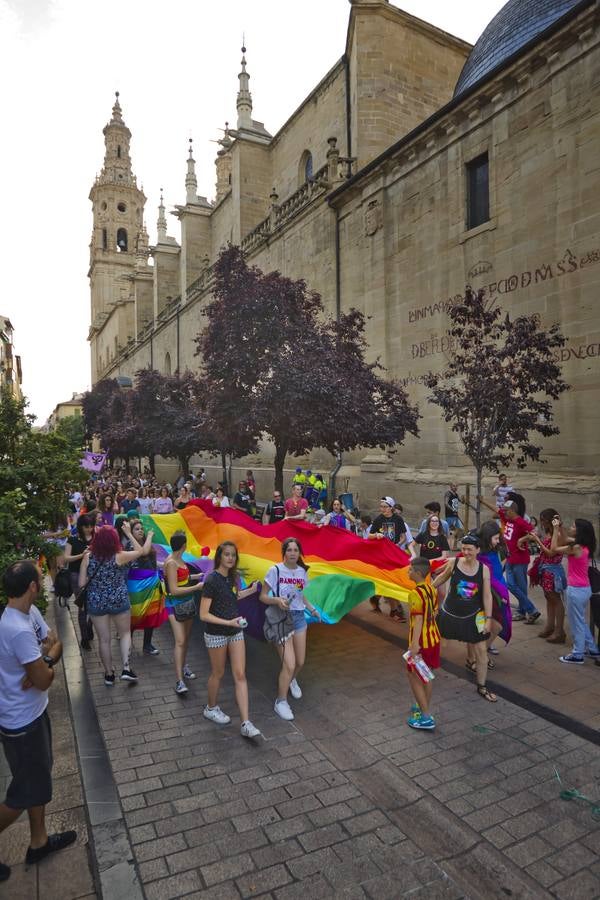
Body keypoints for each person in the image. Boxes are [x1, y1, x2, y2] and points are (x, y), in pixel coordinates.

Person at [0, 561, 76, 883]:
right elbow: (45, 680)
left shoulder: (28, 614)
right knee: (22, 794)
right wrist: (45, 668)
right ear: (33, 585)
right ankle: (37, 841)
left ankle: (39, 842)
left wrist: (44, 662)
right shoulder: (15, 628)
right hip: (20, 723)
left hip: (33, 714)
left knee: (37, 780)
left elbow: (55, 644)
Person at [79, 523, 154, 685]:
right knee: (125, 634)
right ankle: (126, 668)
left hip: (96, 602)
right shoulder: (119, 555)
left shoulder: (87, 556)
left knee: (104, 640)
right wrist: (128, 533)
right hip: (119, 599)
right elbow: (141, 551)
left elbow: (81, 583)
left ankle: (109, 674)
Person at [199, 541, 261, 738]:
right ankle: (210, 708)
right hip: (216, 633)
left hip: (235, 630)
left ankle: (246, 722)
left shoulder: (233, 577)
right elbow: (203, 614)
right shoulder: (211, 580)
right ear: (220, 556)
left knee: (240, 674)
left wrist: (251, 590)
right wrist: (229, 622)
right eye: (227, 554)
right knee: (217, 673)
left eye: (233, 555)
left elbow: (233, 597)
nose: (230, 558)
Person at [260, 538, 321, 721]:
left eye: (296, 550)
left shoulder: (302, 572)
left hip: (299, 617)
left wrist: (312, 609)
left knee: (300, 662)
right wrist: (277, 600)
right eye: (289, 550)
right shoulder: (275, 570)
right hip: (281, 619)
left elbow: (300, 595)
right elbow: (263, 596)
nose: (293, 553)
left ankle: (290, 679)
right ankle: (281, 701)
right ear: (284, 552)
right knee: (289, 664)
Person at [434, 533, 497, 702]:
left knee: (482, 652)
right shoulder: (454, 563)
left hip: (473, 616)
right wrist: (425, 590)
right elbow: (442, 578)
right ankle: (422, 668)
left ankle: (482, 686)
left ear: (478, 550)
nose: (466, 552)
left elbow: (487, 596)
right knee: (436, 642)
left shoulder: (483, 569)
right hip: (449, 614)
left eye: (469, 549)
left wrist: (489, 620)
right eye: (463, 549)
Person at [480, 496, 539, 623]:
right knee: (511, 585)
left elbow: (535, 533)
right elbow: (496, 509)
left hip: (520, 559)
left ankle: (525, 611)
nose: (504, 512)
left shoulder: (520, 522)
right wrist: (483, 501)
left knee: (519, 587)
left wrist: (523, 539)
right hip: (510, 557)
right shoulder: (507, 518)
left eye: (506, 510)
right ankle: (529, 610)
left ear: (513, 510)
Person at [551, 517, 599, 664]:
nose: (571, 527)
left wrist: (554, 530)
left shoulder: (575, 548)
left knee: (576, 623)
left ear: (579, 531)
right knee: (581, 621)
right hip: (585, 589)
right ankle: (593, 649)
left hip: (576, 590)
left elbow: (553, 550)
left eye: (573, 526)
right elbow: (566, 538)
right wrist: (560, 527)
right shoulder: (584, 546)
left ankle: (578, 654)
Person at [164, 531, 205, 694]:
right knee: (180, 641)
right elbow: (173, 590)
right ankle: (179, 680)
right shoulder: (171, 562)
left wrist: (197, 576)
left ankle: (183, 665)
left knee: (186, 639)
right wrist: (196, 587)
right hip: (174, 605)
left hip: (187, 604)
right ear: (183, 545)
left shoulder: (180, 560)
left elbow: (184, 578)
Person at [405, 557, 441, 730]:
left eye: (410, 569)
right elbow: (435, 611)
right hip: (433, 639)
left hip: (421, 643)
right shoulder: (431, 589)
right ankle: (422, 706)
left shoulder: (415, 594)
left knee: (415, 677)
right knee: (427, 676)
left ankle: (426, 717)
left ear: (418, 573)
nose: (408, 571)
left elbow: (418, 620)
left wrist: (414, 645)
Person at [526, 509, 566, 643]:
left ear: (549, 520)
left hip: (553, 570)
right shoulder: (551, 532)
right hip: (546, 569)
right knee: (549, 598)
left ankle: (559, 631)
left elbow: (550, 553)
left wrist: (537, 540)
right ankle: (550, 626)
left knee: (555, 599)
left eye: (543, 520)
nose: (541, 523)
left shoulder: (558, 533)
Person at [126, 520, 166, 656]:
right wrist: (149, 536)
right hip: (136, 585)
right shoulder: (130, 546)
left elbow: (153, 562)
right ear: (130, 532)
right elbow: (143, 553)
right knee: (134, 615)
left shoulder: (148, 544)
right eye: (136, 529)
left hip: (152, 582)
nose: (140, 531)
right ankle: (128, 643)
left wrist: (164, 564)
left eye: (141, 528)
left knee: (151, 613)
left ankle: (147, 644)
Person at [368, 497, 407, 621]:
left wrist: (397, 545)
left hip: (394, 555)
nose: (382, 509)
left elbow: (404, 537)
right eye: (381, 506)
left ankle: (376, 597)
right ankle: (394, 610)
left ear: (391, 507)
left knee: (392, 581)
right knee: (388, 581)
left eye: (385, 506)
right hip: (382, 556)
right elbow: (369, 536)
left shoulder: (398, 520)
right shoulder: (378, 520)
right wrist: (376, 535)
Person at [63, 513, 95, 650]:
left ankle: (89, 625)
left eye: (91, 526)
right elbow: (66, 558)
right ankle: (84, 637)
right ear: (80, 527)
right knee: (82, 605)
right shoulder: (72, 540)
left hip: (93, 575)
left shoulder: (96, 538)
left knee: (93, 603)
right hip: (76, 575)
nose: (89, 529)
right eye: (86, 526)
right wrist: (82, 555)